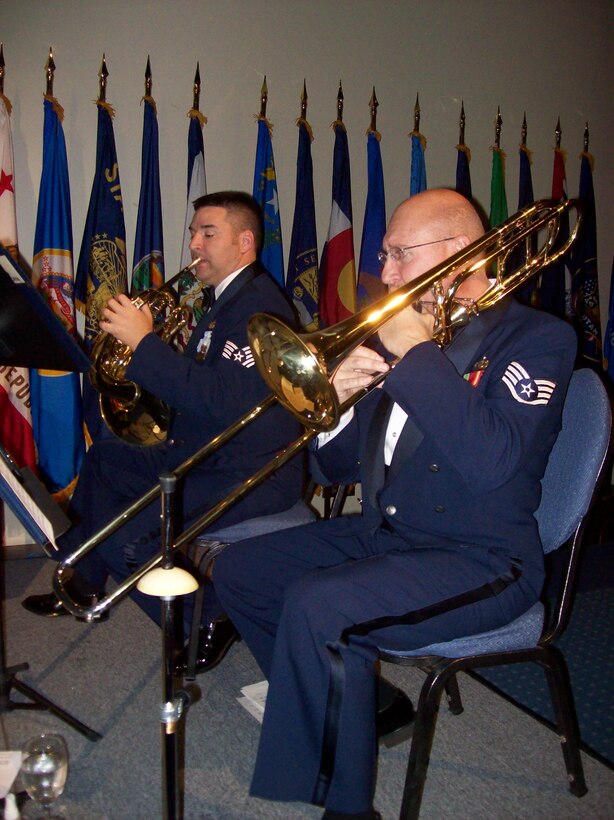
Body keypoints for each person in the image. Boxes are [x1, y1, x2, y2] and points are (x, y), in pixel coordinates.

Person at [213, 188, 578, 819]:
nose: (385, 272)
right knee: (240, 571)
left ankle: (349, 808)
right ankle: (347, 701)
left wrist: (414, 355)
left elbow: (491, 462)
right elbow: (331, 468)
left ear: (460, 254)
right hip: (392, 534)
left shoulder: (537, 338)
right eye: (385, 253)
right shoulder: (406, 340)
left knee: (322, 606)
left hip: (486, 560)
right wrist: (334, 405)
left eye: (400, 254)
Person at [23, 191, 304, 674]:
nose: (194, 243)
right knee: (105, 462)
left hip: (249, 471)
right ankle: (85, 577)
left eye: (208, 233)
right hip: (203, 451)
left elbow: (221, 405)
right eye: (193, 233)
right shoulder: (227, 299)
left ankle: (211, 616)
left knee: (128, 540)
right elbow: (202, 391)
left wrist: (145, 343)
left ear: (245, 242)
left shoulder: (262, 311)